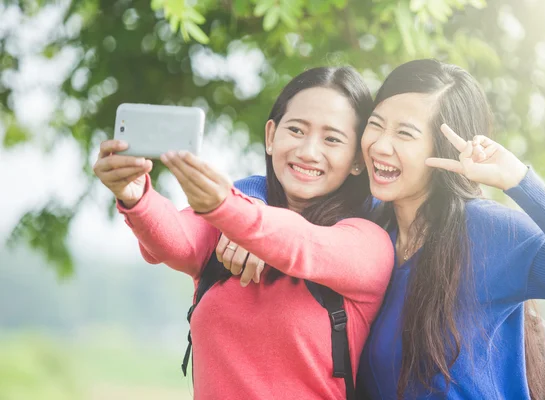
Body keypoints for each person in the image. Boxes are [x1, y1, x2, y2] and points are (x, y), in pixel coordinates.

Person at [236, 59, 545, 399]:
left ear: (443, 148)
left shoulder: (489, 233)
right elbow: (284, 186)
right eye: (375, 125)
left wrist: (519, 180)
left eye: (405, 133)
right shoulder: (367, 225)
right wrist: (254, 215)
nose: (380, 145)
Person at [93, 66, 395, 400]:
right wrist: (135, 196)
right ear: (271, 136)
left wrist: (233, 211)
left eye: (332, 139)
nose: (308, 151)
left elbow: (302, 244)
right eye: (296, 130)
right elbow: (174, 240)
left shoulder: (368, 243)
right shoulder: (228, 222)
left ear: (356, 160)